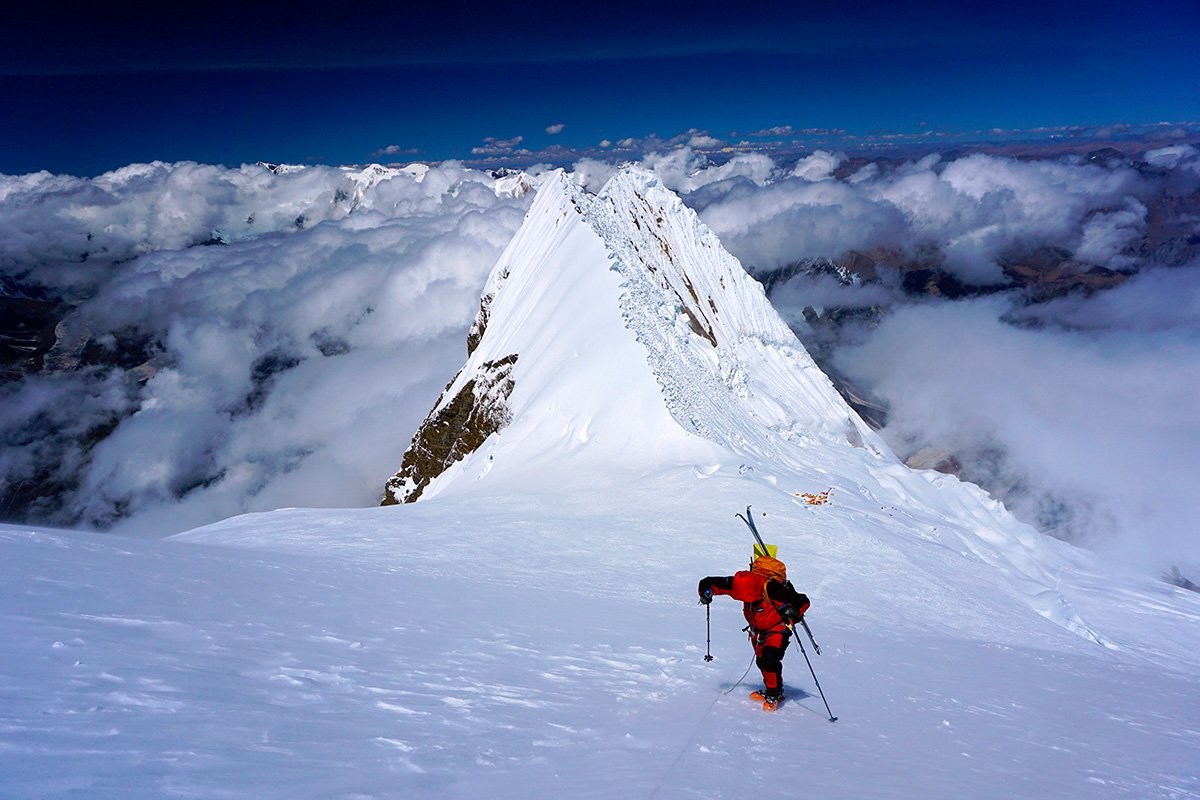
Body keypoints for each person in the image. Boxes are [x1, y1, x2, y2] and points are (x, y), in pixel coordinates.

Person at [698, 550, 810, 711]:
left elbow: (803, 601)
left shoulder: (772, 588)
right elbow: (707, 582)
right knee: (761, 661)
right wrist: (706, 593)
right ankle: (771, 689)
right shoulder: (736, 584)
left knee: (770, 659)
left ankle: (775, 693)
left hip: (777, 627)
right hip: (757, 630)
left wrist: (794, 613)